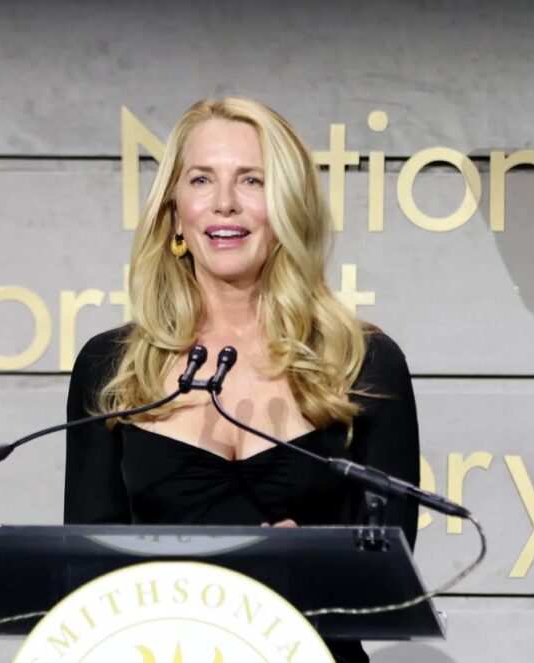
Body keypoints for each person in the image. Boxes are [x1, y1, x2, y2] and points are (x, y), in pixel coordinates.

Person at [64, 98, 419, 662]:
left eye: (251, 180)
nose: (224, 204)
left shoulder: (360, 362)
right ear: (176, 212)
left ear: (286, 209)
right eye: (202, 179)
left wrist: (304, 566)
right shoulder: (113, 366)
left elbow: (387, 573)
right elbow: (86, 572)